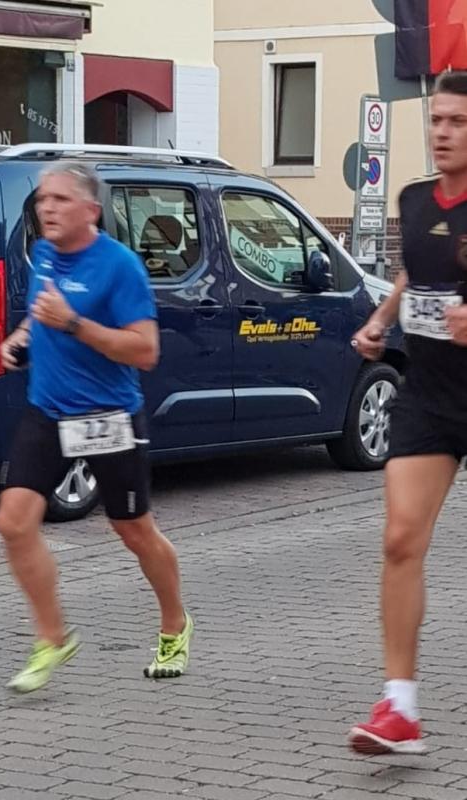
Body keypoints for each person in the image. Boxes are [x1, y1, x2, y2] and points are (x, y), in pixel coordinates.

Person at [0, 161, 193, 693]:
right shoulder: (43, 255)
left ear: (91, 210)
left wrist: (74, 324)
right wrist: (21, 339)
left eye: (60, 199)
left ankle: (175, 624)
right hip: (48, 411)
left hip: (108, 416)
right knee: (13, 523)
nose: (47, 208)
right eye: (42, 199)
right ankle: (52, 637)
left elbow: (145, 351)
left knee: (133, 530)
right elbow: (41, 314)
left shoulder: (120, 267)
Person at [348, 70, 467, 755]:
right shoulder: (415, 199)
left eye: (457, 122)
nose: (442, 132)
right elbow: (415, 273)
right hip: (429, 395)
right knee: (399, 540)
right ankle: (399, 708)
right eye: (437, 119)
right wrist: (381, 317)